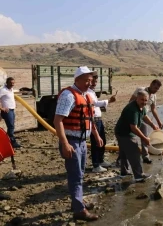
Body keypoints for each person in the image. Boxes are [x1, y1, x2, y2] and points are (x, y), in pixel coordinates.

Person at [53, 66, 103, 221]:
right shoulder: (69, 95)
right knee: (75, 175)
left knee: (80, 173)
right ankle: (79, 211)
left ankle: (77, 202)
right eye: (86, 80)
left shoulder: (86, 95)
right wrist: (65, 143)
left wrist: (96, 135)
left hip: (82, 142)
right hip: (72, 142)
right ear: (77, 80)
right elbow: (57, 121)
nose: (90, 83)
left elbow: (89, 119)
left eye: (91, 80)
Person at [115, 90, 158, 182]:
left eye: (146, 100)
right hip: (125, 133)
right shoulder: (133, 109)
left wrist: (153, 125)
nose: (144, 102)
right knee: (135, 153)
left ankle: (124, 172)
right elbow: (134, 128)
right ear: (137, 99)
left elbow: (144, 116)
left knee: (124, 152)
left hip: (120, 131)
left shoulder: (142, 107)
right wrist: (145, 138)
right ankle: (139, 175)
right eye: (142, 100)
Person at [129, 79, 163, 164]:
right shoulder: (140, 90)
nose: (156, 90)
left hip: (144, 116)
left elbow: (153, 109)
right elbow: (130, 101)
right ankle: (122, 158)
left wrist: (158, 121)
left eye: (157, 89)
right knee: (129, 138)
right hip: (134, 115)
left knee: (144, 135)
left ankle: (145, 156)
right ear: (151, 84)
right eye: (155, 88)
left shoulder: (154, 96)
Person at [88, 73, 116, 173]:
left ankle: (100, 160)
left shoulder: (91, 92)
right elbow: (94, 103)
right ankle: (96, 165)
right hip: (94, 119)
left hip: (98, 119)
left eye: (95, 82)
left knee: (102, 140)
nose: (94, 83)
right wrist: (108, 101)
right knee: (96, 142)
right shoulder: (87, 92)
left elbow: (96, 105)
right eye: (92, 81)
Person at [0, 77, 21, 149]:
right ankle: (12, 142)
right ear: (7, 83)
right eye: (11, 83)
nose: (12, 84)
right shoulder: (3, 90)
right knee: (11, 126)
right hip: (7, 111)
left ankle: (9, 142)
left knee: (11, 126)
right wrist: (1, 108)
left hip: (12, 110)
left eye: (13, 83)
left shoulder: (11, 89)